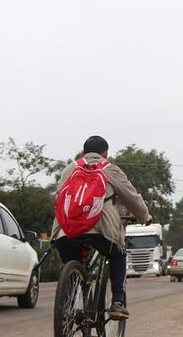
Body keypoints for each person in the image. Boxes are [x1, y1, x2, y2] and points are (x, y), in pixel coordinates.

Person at [51, 135, 151, 319]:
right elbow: (132, 198)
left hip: (66, 230)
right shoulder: (111, 169)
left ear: (83, 152)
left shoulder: (70, 169)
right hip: (101, 230)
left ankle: (67, 307)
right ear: (105, 153)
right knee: (118, 253)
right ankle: (117, 303)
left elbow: (59, 197)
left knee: (71, 264)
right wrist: (145, 217)